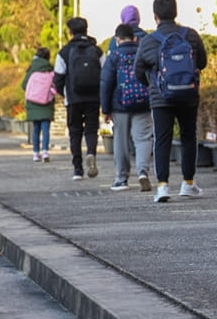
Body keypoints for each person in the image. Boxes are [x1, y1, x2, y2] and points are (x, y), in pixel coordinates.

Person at [134, 0, 207, 202]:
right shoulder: (190, 35)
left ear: (155, 15)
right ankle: (188, 183)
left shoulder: (148, 41)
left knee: (162, 140)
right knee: (188, 137)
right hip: (188, 95)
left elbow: (138, 70)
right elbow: (202, 62)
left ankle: (163, 186)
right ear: (175, 13)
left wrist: (152, 84)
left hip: (160, 98)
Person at [100, 23, 153, 192]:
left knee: (120, 141)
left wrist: (106, 109)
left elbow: (106, 83)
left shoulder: (114, 56)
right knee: (143, 138)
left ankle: (121, 179)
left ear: (117, 39)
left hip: (120, 105)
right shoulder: (142, 53)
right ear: (135, 38)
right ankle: (143, 172)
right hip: (143, 103)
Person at [54, 17, 105, 180]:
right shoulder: (97, 51)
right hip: (93, 97)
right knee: (91, 129)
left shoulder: (64, 52)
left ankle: (77, 169)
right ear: (86, 30)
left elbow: (58, 79)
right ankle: (91, 153)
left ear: (70, 32)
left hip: (73, 98)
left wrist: (64, 93)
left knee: (75, 132)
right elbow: (105, 74)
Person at [21, 47, 55, 162]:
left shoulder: (31, 69)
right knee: (46, 129)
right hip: (46, 102)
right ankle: (45, 151)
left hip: (33, 102)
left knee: (36, 129)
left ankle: (36, 153)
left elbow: (24, 85)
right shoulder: (50, 68)